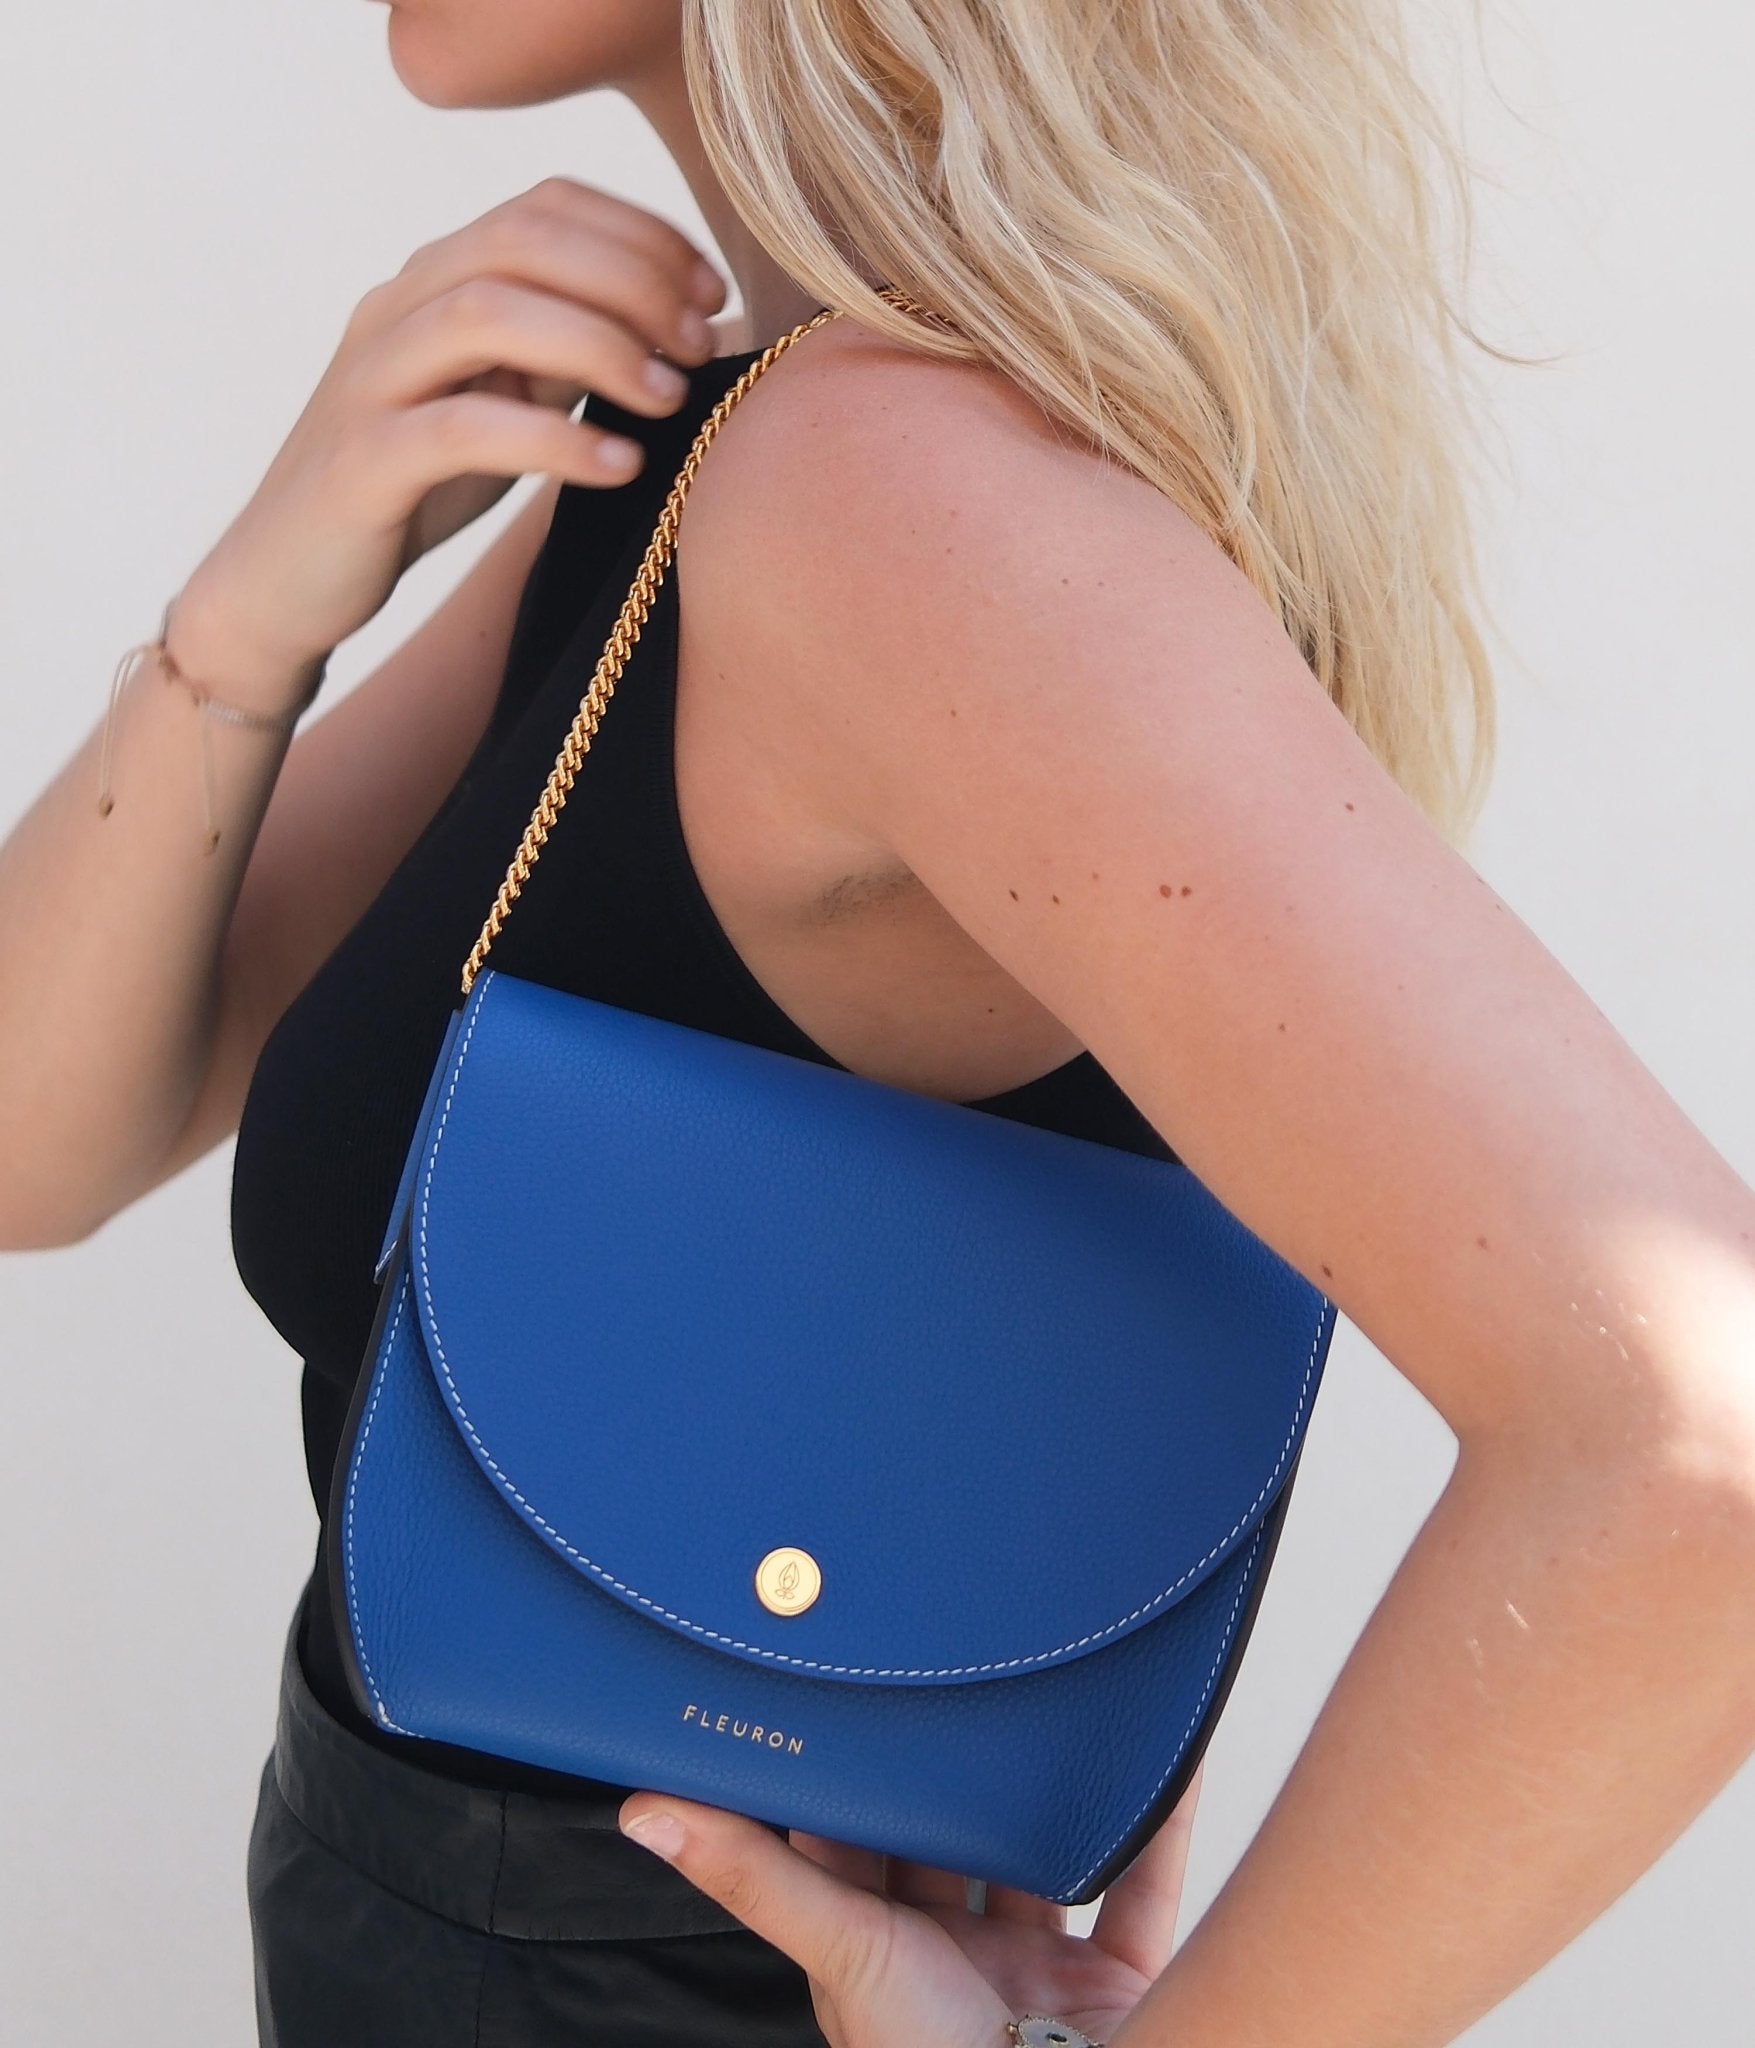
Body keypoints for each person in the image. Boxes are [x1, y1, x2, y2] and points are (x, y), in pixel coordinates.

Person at [3, 2, 1754, 2045]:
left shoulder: (883, 489)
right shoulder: (734, 449)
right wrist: (243, 631)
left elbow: (1692, 1451)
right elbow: (40, 1147)